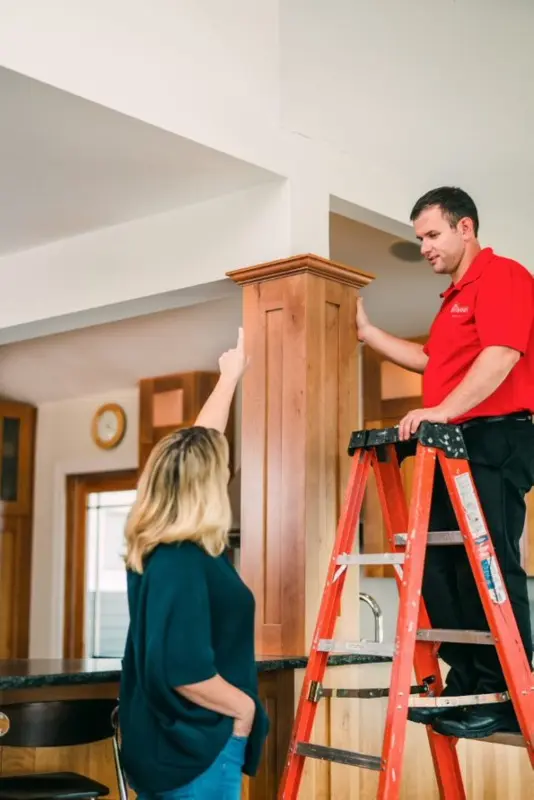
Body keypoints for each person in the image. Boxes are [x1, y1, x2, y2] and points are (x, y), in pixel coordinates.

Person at [357, 186, 534, 740]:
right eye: (419, 239)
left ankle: (509, 693)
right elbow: (432, 360)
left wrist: (439, 412)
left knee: (487, 566)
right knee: (437, 565)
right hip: (454, 441)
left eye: (432, 235)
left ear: (466, 228)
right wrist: (366, 334)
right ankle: (470, 683)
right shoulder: (454, 298)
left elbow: (502, 355)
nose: (425, 247)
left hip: (496, 437)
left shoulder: (503, 276)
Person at [118, 328, 269, 799]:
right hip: (197, 749)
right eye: (222, 473)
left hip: (169, 747)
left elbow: (203, 443)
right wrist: (244, 710)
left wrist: (230, 377)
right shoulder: (181, 562)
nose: (225, 478)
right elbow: (184, 670)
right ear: (207, 488)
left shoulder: (164, 545)